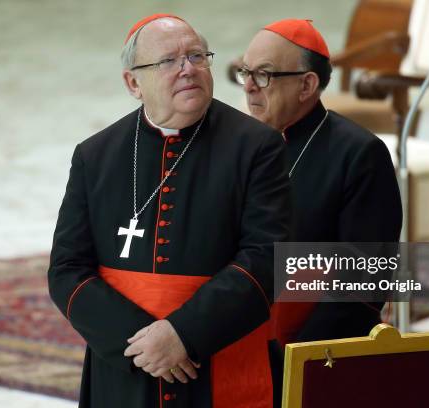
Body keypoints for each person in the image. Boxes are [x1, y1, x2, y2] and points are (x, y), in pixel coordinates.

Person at [48, 14, 290, 408]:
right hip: (128, 366)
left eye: (197, 56)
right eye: (168, 61)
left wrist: (183, 334)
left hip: (218, 351)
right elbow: (66, 270)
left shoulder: (256, 147)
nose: (188, 69)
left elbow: (267, 258)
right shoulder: (96, 155)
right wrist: (143, 345)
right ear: (133, 83)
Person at [239, 18, 402, 404]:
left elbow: (364, 281)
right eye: (245, 72)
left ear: (307, 85)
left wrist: (292, 357)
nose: (247, 85)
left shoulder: (359, 154)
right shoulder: (239, 145)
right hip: (234, 338)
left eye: (263, 75)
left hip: (310, 352)